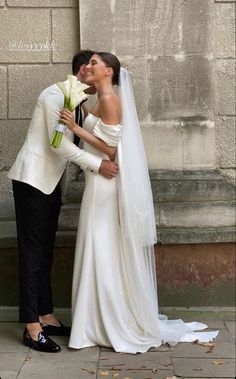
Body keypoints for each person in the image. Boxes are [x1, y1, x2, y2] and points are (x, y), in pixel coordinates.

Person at [60, 52, 218, 354]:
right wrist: (77, 97)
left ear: (109, 71)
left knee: (100, 245)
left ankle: (99, 323)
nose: (89, 66)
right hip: (100, 184)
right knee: (101, 246)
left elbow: (111, 150)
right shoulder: (103, 98)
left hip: (105, 185)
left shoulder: (109, 101)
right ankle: (96, 320)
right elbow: (99, 128)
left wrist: (76, 128)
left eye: (94, 63)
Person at [8, 50, 119, 353]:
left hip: (51, 184)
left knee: (45, 251)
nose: (96, 72)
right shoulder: (55, 97)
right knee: (32, 254)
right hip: (32, 181)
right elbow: (58, 146)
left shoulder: (79, 101)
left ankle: (46, 316)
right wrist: (98, 166)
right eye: (93, 66)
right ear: (84, 71)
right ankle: (32, 327)